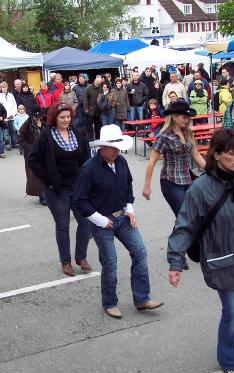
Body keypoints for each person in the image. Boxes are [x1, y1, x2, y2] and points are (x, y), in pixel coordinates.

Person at [167, 128, 234, 373]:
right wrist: (175, 262)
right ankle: (228, 362)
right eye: (231, 153)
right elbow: (184, 226)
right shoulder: (200, 188)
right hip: (221, 263)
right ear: (216, 155)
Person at [74, 125, 164, 319]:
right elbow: (79, 200)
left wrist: (129, 209)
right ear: (102, 147)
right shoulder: (89, 168)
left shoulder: (121, 161)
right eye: (112, 147)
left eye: (118, 147)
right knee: (110, 264)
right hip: (102, 222)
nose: (116, 151)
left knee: (140, 253)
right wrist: (99, 220)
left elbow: (128, 187)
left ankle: (142, 299)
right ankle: (109, 302)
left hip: (122, 217)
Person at [28, 103, 91, 277]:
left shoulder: (77, 134)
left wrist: (87, 179)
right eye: (62, 117)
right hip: (57, 189)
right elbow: (33, 159)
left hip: (78, 187)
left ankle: (81, 257)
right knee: (63, 225)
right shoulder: (46, 136)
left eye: (68, 117)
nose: (66, 120)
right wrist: (48, 181)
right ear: (54, 118)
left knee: (85, 222)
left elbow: (86, 156)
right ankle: (66, 261)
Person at [143, 101, 206, 217]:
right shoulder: (164, 136)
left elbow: (196, 155)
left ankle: (178, 235)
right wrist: (147, 185)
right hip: (171, 181)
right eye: (184, 117)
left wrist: (212, 171)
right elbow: (152, 161)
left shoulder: (187, 133)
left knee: (191, 217)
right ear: (174, 117)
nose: (187, 120)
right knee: (185, 216)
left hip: (187, 179)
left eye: (188, 118)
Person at [17, 105, 47, 205]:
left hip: (44, 152)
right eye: (35, 116)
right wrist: (32, 149)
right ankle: (41, 195)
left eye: (39, 116)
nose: (37, 118)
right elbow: (21, 140)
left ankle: (47, 193)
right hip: (32, 154)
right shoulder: (27, 125)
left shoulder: (44, 122)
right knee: (34, 175)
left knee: (46, 172)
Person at [0, 81, 18, 150]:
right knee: (5, 132)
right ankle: (8, 144)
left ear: (7, 87)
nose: (4, 88)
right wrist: (3, 116)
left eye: (5, 87)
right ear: (1, 88)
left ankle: (14, 143)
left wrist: (13, 114)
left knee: (13, 131)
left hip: (12, 117)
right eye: (3, 87)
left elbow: (14, 105)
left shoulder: (11, 95)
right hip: (4, 117)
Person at [83, 76, 103, 140]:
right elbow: (85, 98)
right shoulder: (88, 88)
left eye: (99, 83)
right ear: (94, 81)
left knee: (98, 126)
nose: (97, 83)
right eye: (96, 82)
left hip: (97, 110)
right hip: (90, 110)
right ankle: (90, 139)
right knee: (89, 126)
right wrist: (86, 108)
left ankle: (98, 138)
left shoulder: (100, 88)